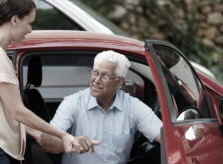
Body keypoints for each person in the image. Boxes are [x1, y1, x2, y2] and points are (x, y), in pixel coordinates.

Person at [0, 0, 92, 163]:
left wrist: (36, 133)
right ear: (14, 20)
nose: (30, 30)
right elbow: (18, 111)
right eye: (29, 23)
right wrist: (62, 135)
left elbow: (6, 112)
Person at [29, 50, 163, 164]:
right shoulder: (73, 102)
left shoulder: (133, 107)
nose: (96, 80)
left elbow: (166, 137)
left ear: (119, 82)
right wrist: (71, 141)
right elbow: (47, 143)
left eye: (104, 76)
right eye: (95, 73)